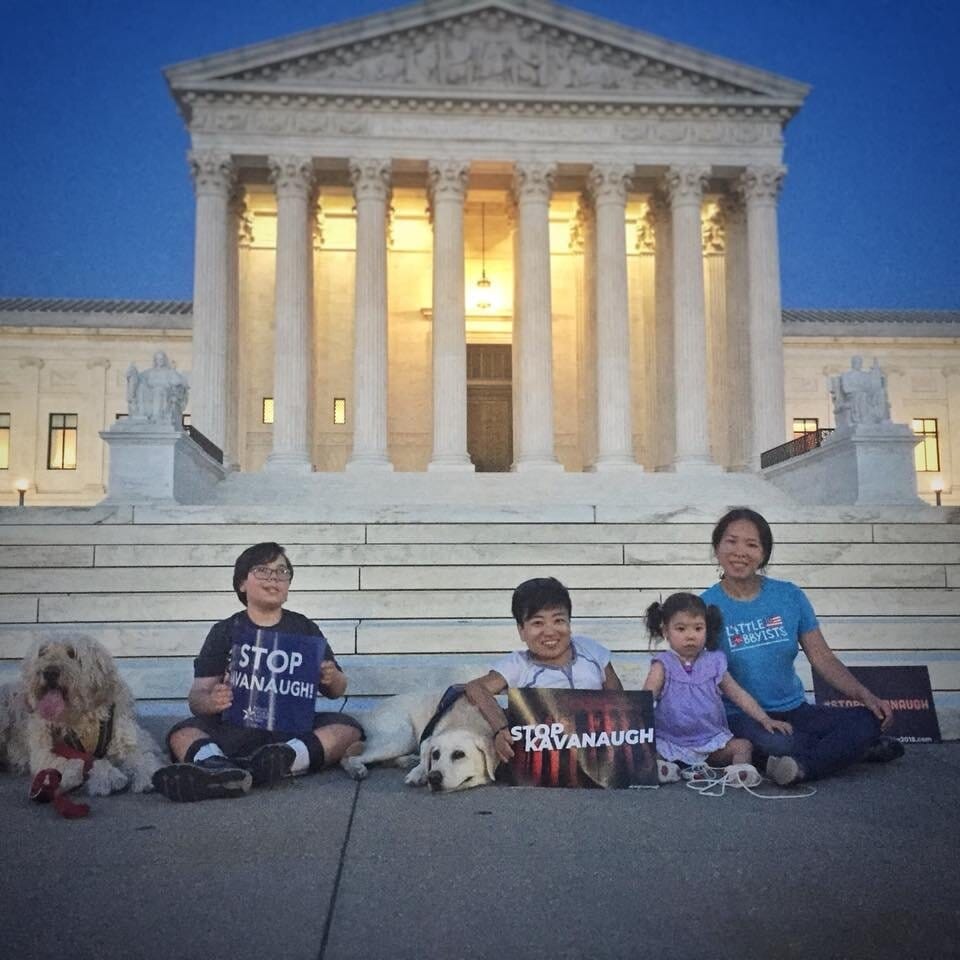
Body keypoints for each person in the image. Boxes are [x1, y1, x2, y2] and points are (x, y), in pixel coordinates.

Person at [152, 542, 363, 802]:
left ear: (288, 587)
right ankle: (216, 768)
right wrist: (212, 700)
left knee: (348, 729)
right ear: (242, 583)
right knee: (181, 732)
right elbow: (197, 697)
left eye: (282, 572)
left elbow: (338, 690)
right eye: (263, 570)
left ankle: (266, 767)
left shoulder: (304, 628)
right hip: (236, 729)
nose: (274, 578)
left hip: (290, 734)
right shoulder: (225, 631)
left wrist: (332, 677)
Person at [701, 508, 899, 785]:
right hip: (743, 715)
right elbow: (705, 673)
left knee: (867, 720)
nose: (740, 551)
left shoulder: (789, 596)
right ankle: (845, 752)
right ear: (717, 547)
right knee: (778, 744)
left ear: (764, 553)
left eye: (751, 544)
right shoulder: (705, 607)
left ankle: (804, 765)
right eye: (731, 541)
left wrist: (863, 694)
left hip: (796, 710)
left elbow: (822, 658)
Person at [464, 577, 623, 765]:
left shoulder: (592, 651)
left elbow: (620, 700)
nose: (549, 632)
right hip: (547, 766)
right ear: (521, 630)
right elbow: (476, 688)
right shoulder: (518, 664)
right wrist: (501, 729)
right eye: (537, 623)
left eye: (558, 620)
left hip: (598, 758)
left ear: (569, 623)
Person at [642, 592, 793, 784]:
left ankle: (739, 773)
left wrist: (764, 718)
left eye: (698, 628)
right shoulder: (662, 664)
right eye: (680, 629)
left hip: (710, 742)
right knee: (649, 750)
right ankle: (665, 769)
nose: (690, 636)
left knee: (743, 747)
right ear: (666, 631)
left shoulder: (714, 661)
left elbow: (738, 694)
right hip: (669, 740)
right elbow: (645, 700)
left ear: (707, 629)